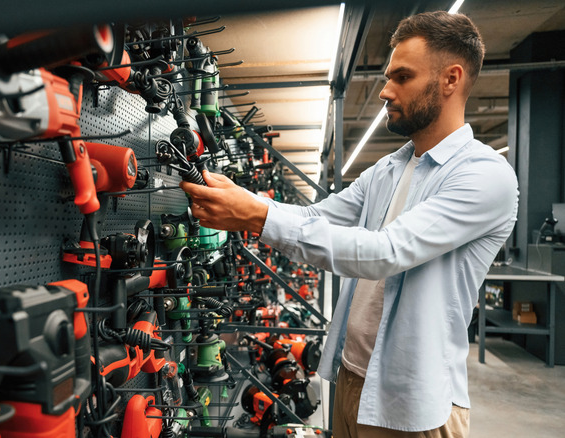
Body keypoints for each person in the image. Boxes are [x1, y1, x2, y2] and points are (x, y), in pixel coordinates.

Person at [180, 11, 518, 438]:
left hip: (410, 402)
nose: (384, 91)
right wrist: (245, 200)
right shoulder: (390, 168)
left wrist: (257, 215)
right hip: (350, 377)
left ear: (451, 79)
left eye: (401, 77)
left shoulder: (485, 175)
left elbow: (386, 252)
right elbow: (314, 217)